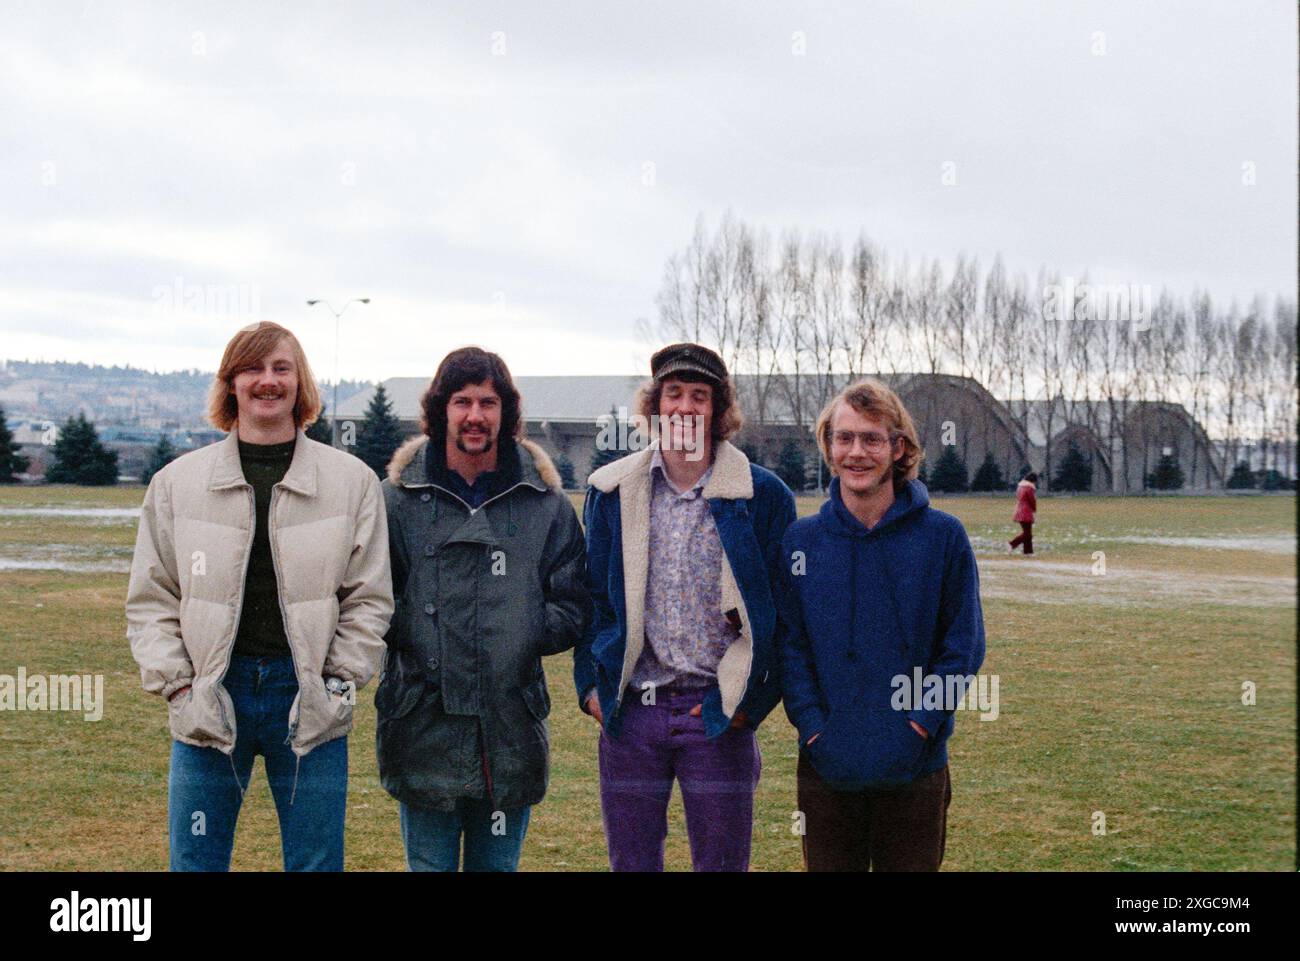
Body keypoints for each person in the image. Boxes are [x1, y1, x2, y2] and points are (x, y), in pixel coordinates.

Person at [126, 321, 393, 871]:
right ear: (230, 383)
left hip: (310, 700)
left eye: (281, 368)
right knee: (196, 860)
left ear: (301, 383)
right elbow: (151, 599)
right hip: (208, 698)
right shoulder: (176, 484)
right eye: (252, 368)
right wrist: (179, 688)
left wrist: (339, 682)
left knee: (316, 863)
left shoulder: (351, 481)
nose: (266, 381)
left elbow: (369, 597)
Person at [575, 343, 797, 872]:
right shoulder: (612, 491)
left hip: (716, 715)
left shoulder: (761, 495)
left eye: (700, 396)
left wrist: (749, 704)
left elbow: (783, 616)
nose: (684, 406)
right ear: (654, 406)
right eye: (673, 393)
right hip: (633, 712)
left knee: (721, 864)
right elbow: (592, 600)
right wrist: (591, 688)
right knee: (632, 862)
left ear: (719, 411)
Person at [375, 346, 589, 872]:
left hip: (509, 728)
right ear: (441, 409)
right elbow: (370, 599)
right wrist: (422, 633)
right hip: (422, 727)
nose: (475, 416)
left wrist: (522, 628)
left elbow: (576, 601)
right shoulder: (396, 502)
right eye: (462, 401)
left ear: (505, 410)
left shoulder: (544, 505)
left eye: (488, 402)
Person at [778, 378, 985, 871]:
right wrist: (812, 729)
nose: (857, 452)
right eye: (844, 438)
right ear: (829, 447)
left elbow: (962, 648)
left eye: (872, 439)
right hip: (827, 765)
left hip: (916, 767)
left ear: (898, 448)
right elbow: (790, 648)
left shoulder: (943, 537)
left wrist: (920, 725)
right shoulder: (801, 542)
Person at [1009, 471, 1037, 554]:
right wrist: (1034, 509)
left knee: (1027, 533)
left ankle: (1028, 552)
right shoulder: (1029, 488)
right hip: (1026, 512)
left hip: (1019, 510)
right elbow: (1032, 500)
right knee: (1027, 534)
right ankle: (1012, 544)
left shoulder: (1020, 486)